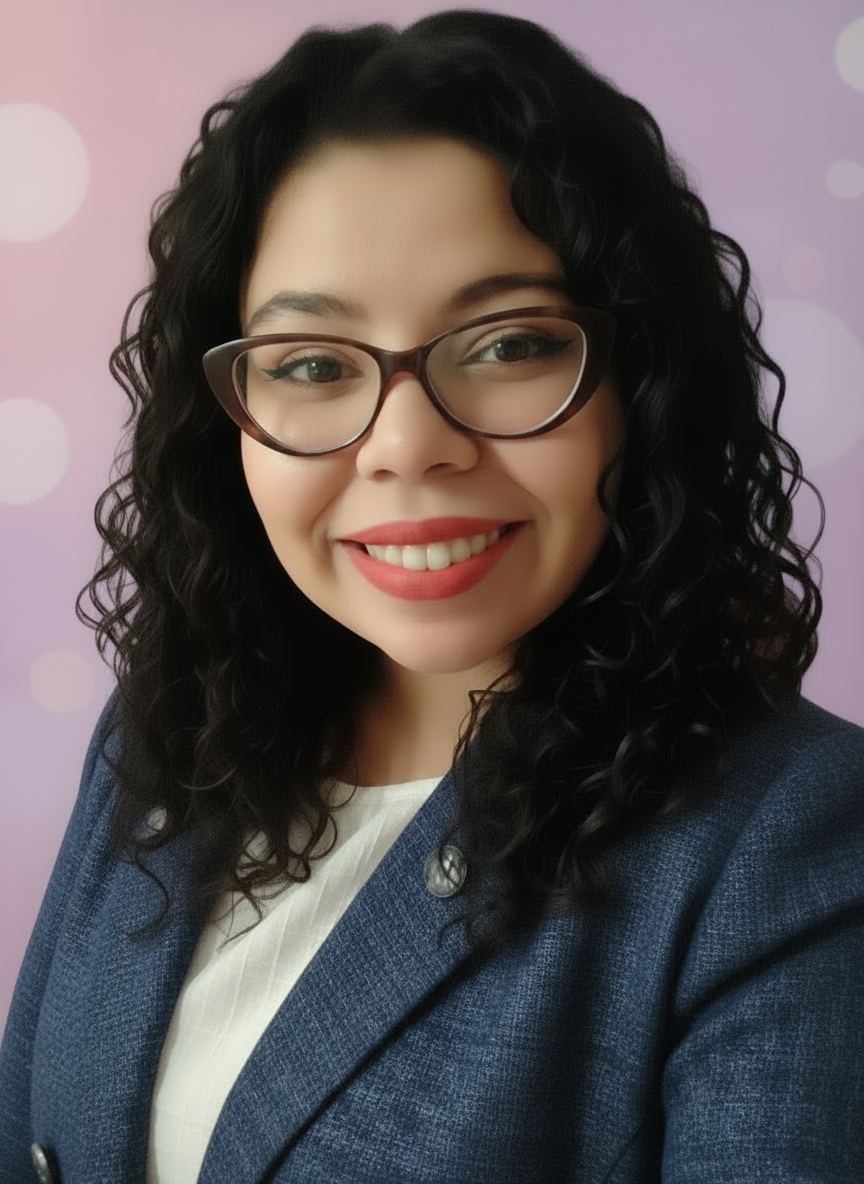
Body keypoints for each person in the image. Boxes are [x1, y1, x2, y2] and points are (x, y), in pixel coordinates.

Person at [1, 9, 862, 1183]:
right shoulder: (158, 741)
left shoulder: (793, 838)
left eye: (508, 344)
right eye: (313, 364)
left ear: (643, 380)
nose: (407, 445)